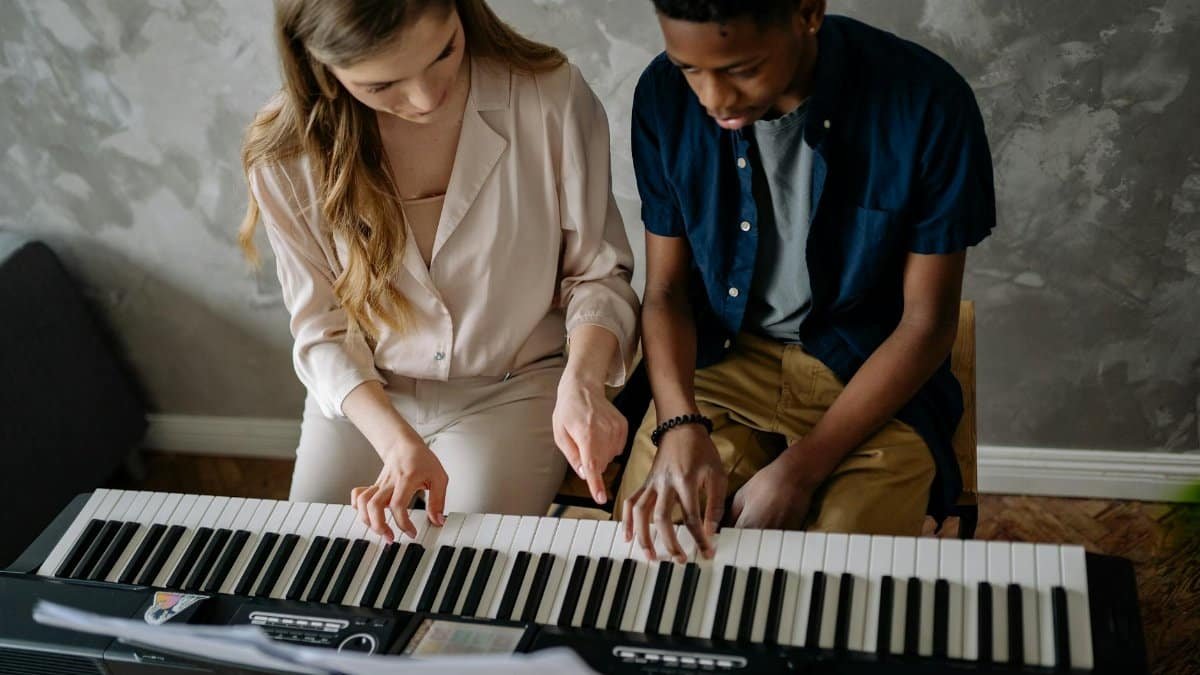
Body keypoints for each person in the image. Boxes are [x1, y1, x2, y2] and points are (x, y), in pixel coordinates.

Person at [239, 0, 639, 541]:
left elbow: (597, 273)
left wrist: (584, 381)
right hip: (366, 396)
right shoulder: (286, 153)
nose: (427, 97)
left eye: (444, 51)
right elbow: (321, 331)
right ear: (321, 70)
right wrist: (395, 442)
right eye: (382, 86)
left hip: (512, 387)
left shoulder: (550, 96)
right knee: (307, 566)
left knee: (459, 570)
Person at [616, 0, 996, 562]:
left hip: (868, 375)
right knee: (652, 553)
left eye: (741, 68)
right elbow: (666, 292)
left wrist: (799, 471)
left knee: (835, 580)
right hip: (722, 362)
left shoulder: (928, 102)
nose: (712, 100)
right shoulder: (661, 96)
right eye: (689, 68)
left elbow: (926, 322)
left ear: (808, 13)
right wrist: (677, 423)